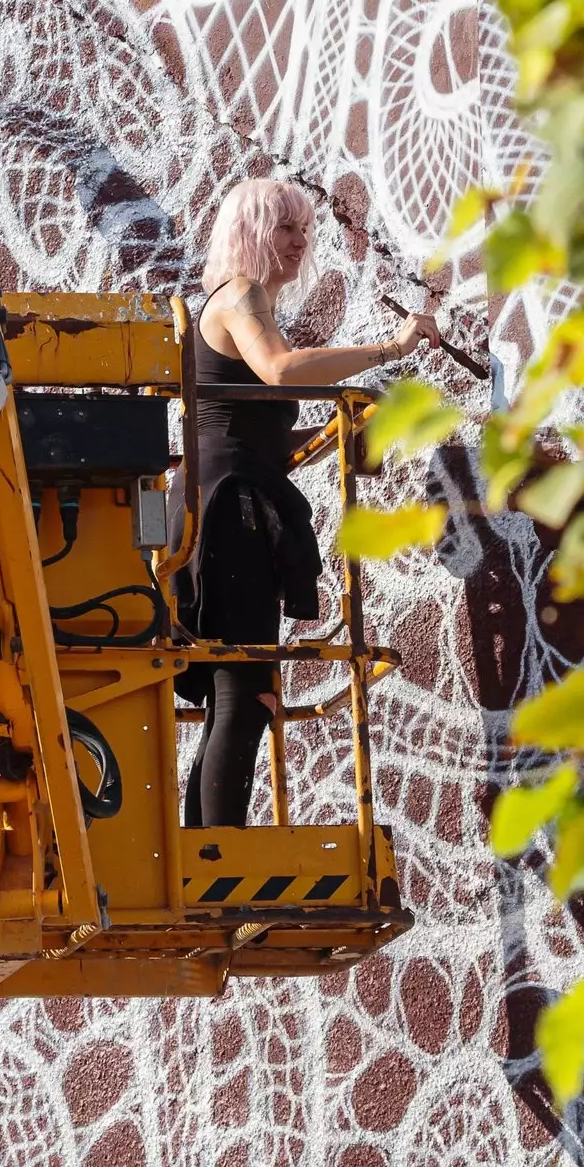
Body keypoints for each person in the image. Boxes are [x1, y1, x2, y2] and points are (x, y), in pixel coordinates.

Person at [172, 176, 441, 829]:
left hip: (220, 499)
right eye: (286, 228)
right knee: (246, 688)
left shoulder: (234, 303)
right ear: (252, 235)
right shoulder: (241, 296)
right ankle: (220, 865)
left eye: (305, 229)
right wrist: (392, 349)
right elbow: (283, 372)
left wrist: (334, 432)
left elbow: (254, 432)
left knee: (233, 691)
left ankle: (204, 858)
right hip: (232, 509)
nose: (301, 241)